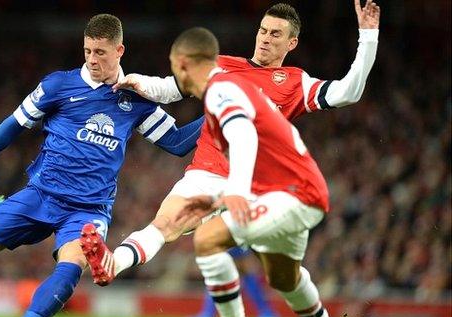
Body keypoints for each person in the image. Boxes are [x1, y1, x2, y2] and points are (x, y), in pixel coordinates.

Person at [0, 14, 203, 317]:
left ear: (120, 50)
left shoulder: (135, 99)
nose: (93, 59)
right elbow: (12, 125)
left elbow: (177, 143)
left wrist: (216, 112)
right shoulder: (58, 86)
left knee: (73, 268)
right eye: (88, 51)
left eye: (101, 53)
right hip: (40, 195)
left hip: (88, 210)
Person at [81, 0, 379, 286]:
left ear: (292, 43)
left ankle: (311, 312)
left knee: (282, 275)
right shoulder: (221, 66)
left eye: (275, 34)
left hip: (255, 186)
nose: (265, 38)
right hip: (206, 174)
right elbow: (170, 88)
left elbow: (348, 92)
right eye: (262, 30)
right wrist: (139, 82)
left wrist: (368, 37)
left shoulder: (294, 82)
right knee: (165, 223)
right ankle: (113, 264)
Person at [171, 26, 352, 317]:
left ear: (183, 64)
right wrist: (215, 197)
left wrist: (235, 191)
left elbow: (245, 136)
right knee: (284, 278)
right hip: (293, 192)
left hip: (292, 193)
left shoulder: (222, 89)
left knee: (207, 240)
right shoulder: (236, 92)